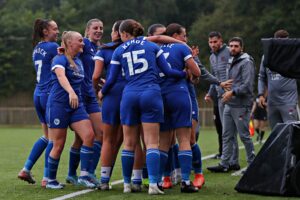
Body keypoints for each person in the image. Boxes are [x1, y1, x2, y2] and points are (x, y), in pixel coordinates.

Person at [98, 19, 187, 195]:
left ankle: (126, 184)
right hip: (151, 94)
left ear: (124, 34)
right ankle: (153, 184)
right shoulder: (152, 47)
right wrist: (183, 73)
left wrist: (102, 92)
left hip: (129, 95)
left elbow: (112, 78)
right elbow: (168, 72)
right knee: (152, 142)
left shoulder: (119, 50)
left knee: (129, 143)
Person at [45, 31, 96, 189]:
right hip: (59, 105)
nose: (83, 43)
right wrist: (71, 92)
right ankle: (51, 180)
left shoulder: (78, 61)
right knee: (58, 144)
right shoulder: (59, 59)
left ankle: (84, 175)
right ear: (69, 43)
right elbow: (61, 77)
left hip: (76, 105)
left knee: (89, 135)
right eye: (80, 40)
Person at [157, 23, 201, 193]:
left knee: (163, 142)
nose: (186, 39)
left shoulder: (156, 49)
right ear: (175, 36)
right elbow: (196, 72)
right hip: (179, 94)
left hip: (160, 96)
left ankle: (158, 181)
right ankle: (185, 181)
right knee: (184, 139)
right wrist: (188, 69)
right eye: (184, 35)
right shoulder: (182, 48)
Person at [18, 19, 59, 187]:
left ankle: (26, 169)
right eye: (55, 29)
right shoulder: (52, 47)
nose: (57, 31)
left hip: (38, 94)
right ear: (45, 31)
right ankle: (47, 178)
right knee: (54, 140)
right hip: (50, 94)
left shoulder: (37, 49)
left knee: (47, 136)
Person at [207, 37, 255, 172]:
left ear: (242, 48)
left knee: (244, 136)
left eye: (236, 46)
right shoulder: (231, 60)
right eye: (231, 46)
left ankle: (252, 164)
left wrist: (232, 92)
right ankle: (225, 164)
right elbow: (230, 81)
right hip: (229, 103)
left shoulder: (246, 62)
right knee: (226, 135)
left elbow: (248, 86)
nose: (233, 48)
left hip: (241, 105)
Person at [66, 19, 104, 186]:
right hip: (80, 95)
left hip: (91, 95)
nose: (99, 30)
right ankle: (76, 174)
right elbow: (69, 56)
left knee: (98, 134)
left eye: (101, 28)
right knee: (85, 137)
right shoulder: (84, 44)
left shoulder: (99, 48)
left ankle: (87, 172)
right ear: (87, 30)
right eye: (95, 28)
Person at [205, 31, 240, 170]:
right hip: (220, 97)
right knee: (226, 130)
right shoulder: (212, 57)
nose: (213, 45)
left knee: (232, 130)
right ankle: (228, 161)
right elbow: (214, 78)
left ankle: (233, 161)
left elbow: (238, 71)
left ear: (221, 41)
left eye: (215, 42)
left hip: (232, 96)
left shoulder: (230, 51)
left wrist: (234, 91)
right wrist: (209, 93)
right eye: (210, 42)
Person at [258, 29, 298, 130]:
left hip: (289, 102)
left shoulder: (294, 56)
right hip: (272, 102)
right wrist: (261, 94)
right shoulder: (266, 57)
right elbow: (261, 77)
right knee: (276, 134)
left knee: (291, 132)